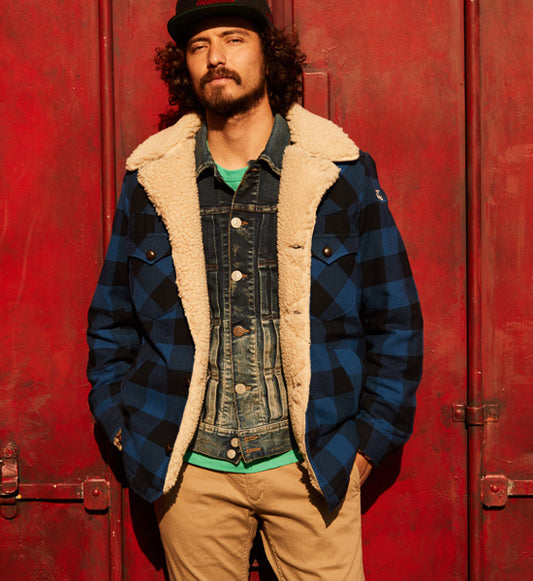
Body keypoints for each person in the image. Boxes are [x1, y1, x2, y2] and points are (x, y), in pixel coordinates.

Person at [87, 1, 423, 579]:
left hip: (313, 468)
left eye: (234, 38)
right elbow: (111, 323)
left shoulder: (338, 173)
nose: (215, 57)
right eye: (199, 46)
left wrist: (365, 447)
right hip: (192, 475)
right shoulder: (151, 182)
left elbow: (396, 320)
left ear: (269, 52)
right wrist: (127, 432)